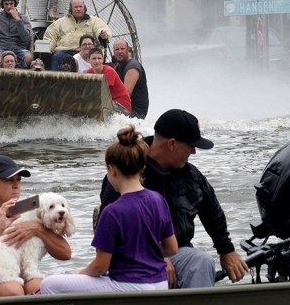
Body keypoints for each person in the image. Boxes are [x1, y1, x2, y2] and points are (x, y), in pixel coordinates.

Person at [100, 109, 249, 289]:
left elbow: (213, 213)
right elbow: (111, 226)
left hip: (178, 252)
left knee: (202, 261)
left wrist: (227, 251)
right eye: (191, 145)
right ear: (172, 144)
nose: (194, 151)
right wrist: (156, 257)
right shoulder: (128, 169)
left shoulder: (192, 175)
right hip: (132, 257)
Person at [40, 126, 177, 294]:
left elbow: (100, 266)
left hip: (129, 286)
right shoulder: (158, 200)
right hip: (160, 283)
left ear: (112, 170)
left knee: (49, 284)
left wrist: (81, 273)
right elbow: (171, 249)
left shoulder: (113, 211)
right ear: (141, 167)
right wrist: (141, 254)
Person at [0, 156, 72, 299]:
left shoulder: (27, 209)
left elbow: (66, 254)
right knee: (13, 290)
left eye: (18, 180)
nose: (16, 185)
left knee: (43, 286)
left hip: (16, 279)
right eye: (9, 180)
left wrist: (38, 229)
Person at [44, 0, 111, 66]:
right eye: (76, 7)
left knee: (91, 58)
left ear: (84, 8)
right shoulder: (60, 22)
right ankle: (52, 77)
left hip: (85, 52)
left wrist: (102, 35)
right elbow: (50, 36)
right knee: (56, 57)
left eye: (80, 7)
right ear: (71, 9)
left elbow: (101, 29)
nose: (78, 9)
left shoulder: (94, 21)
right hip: (63, 52)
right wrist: (47, 50)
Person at [112, 39, 149, 119]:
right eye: (117, 49)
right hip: (124, 107)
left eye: (122, 49)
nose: (120, 51)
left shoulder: (132, 67)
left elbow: (126, 94)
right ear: (114, 52)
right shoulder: (117, 67)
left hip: (136, 111)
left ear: (127, 51)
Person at [87, 47, 131, 113]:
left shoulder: (109, 71)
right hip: (107, 102)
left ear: (103, 59)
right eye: (94, 58)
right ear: (88, 60)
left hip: (121, 105)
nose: (97, 61)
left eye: (99, 58)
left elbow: (101, 92)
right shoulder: (89, 72)